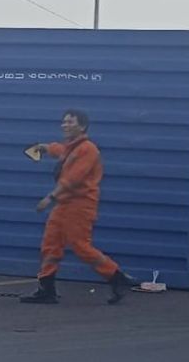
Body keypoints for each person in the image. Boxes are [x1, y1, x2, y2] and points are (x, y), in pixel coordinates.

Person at [20, 109, 130, 305]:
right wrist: (43, 147)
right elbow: (59, 150)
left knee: (80, 246)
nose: (65, 125)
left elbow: (73, 179)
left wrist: (50, 197)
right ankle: (46, 288)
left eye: (70, 122)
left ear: (82, 126)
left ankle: (116, 277)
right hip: (64, 205)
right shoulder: (72, 147)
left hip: (80, 205)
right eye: (63, 122)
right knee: (50, 245)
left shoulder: (88, 149)